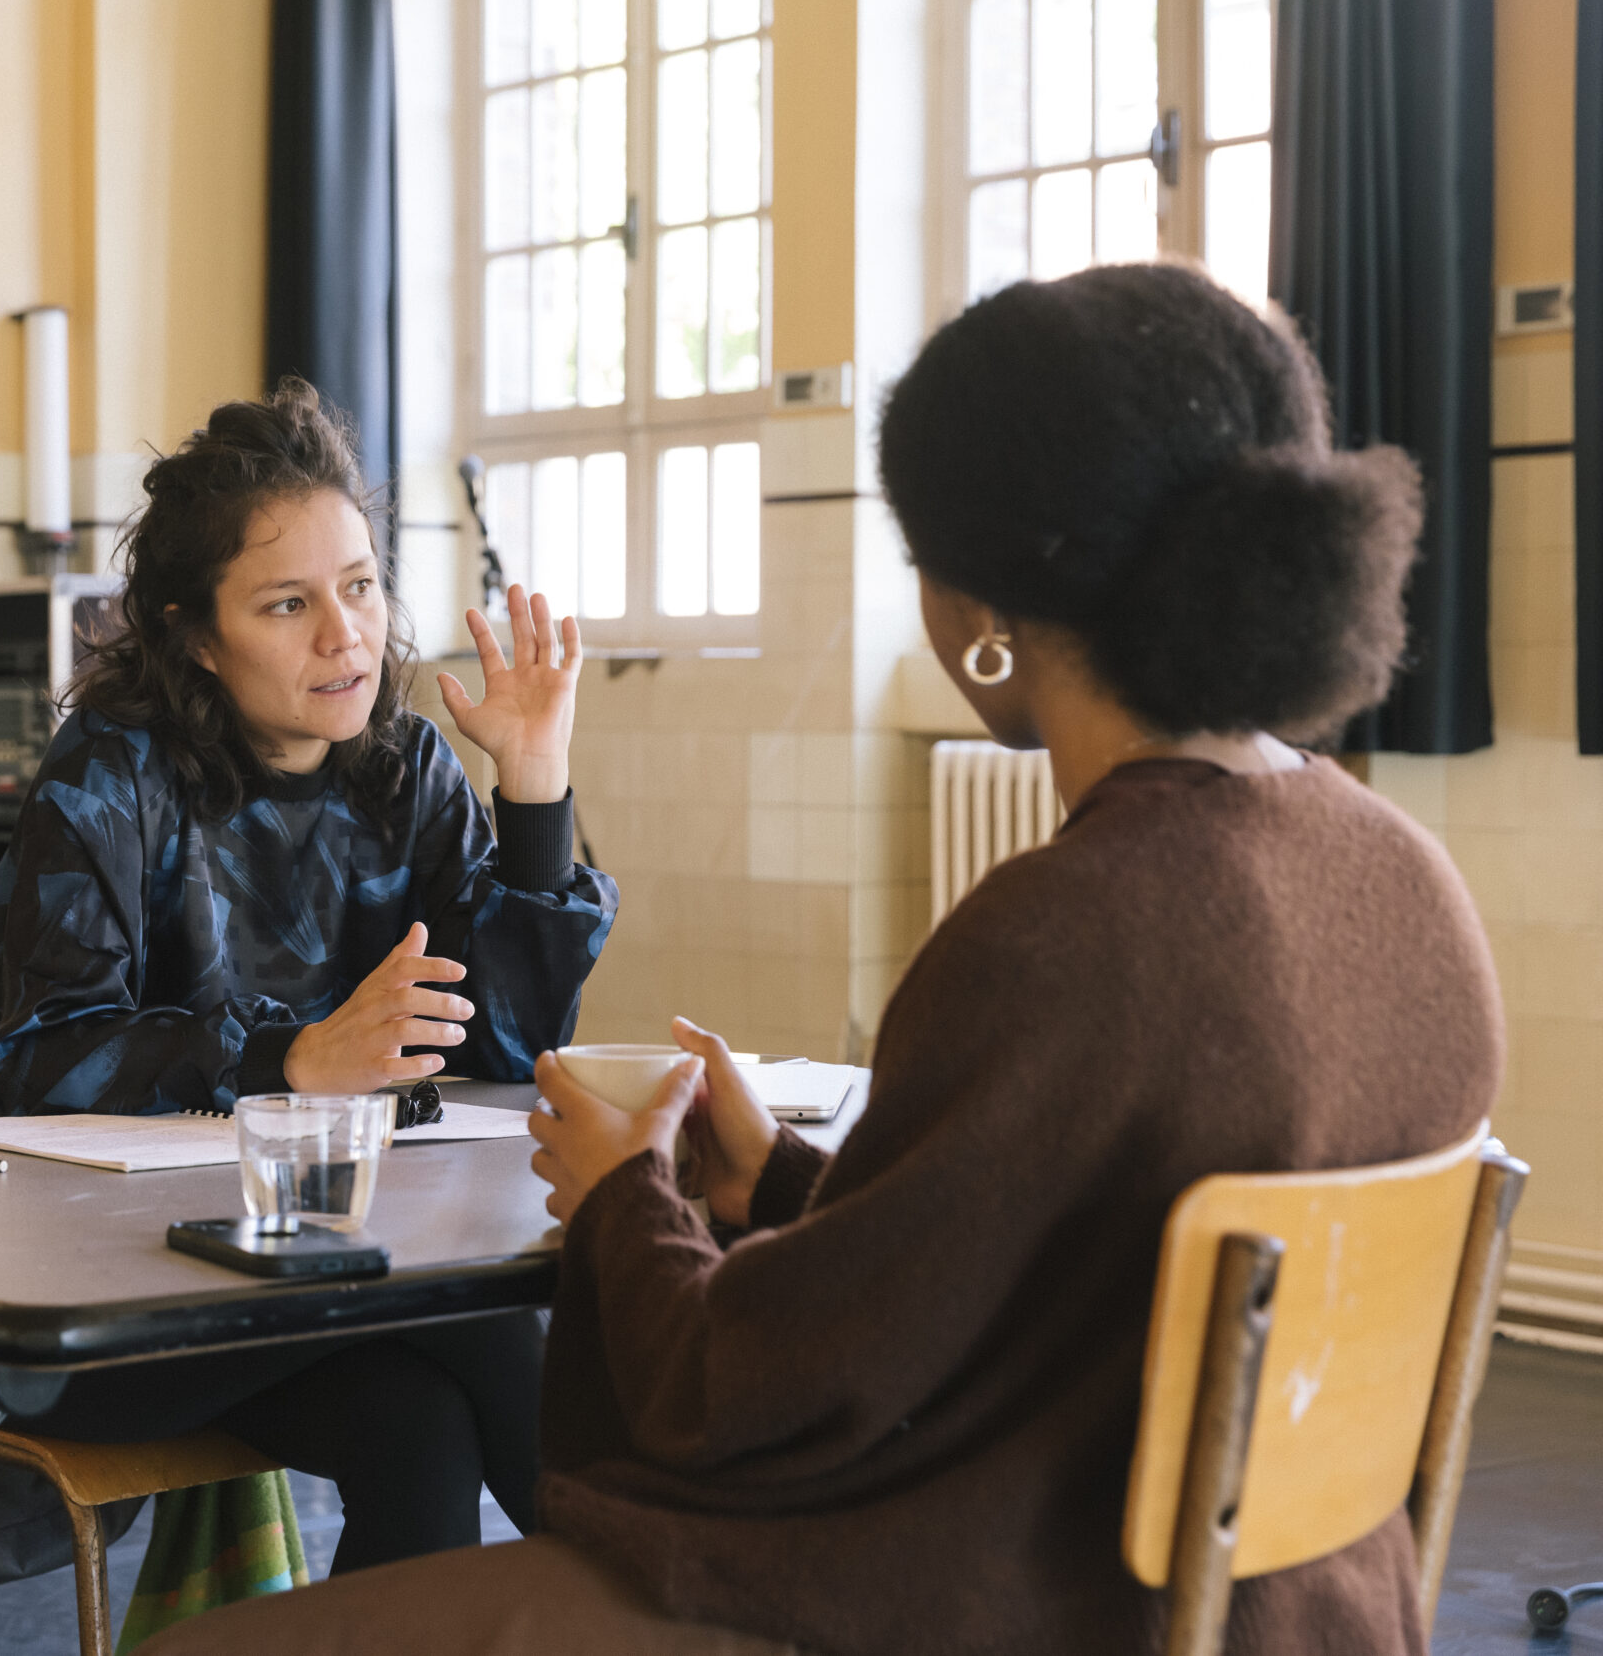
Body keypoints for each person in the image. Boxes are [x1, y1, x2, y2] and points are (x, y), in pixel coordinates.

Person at [137, 263, 1500, 1656]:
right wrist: (778, 1182)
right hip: (1288, 1608)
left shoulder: (1065, 933)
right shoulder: (1408, 884)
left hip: (968, 1600)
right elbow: (1056, 1276)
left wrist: (630, 1199)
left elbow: (746, 1396)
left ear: (982, 606)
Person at [0, 378, 618, 1572]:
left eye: (359, 588)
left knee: (421, 1434)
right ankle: (696, 1601)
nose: (344, 635)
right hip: (84, 1296)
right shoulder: (110, 773)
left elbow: (499, 1051)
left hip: (305, 1274)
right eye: (287, 604)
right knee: (497, 1341)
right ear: (196, 633)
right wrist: (289, 1061)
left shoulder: (401, 768)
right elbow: (32, 1056)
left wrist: (535, 791)